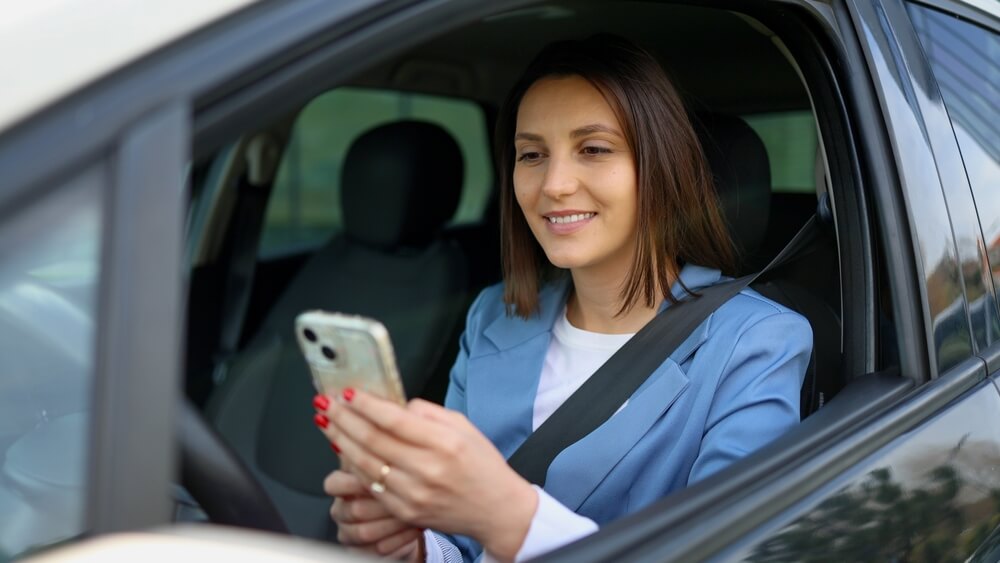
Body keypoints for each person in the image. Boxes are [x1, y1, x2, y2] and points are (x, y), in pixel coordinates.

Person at [312, 34, 812, 563]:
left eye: (593, 149)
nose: (553, 184)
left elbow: (732, 553)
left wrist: (511, 518)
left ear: (661, 167)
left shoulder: (757, 344)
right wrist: (415, 548)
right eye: (532, 154)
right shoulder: (493, 316)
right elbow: (461, 545)